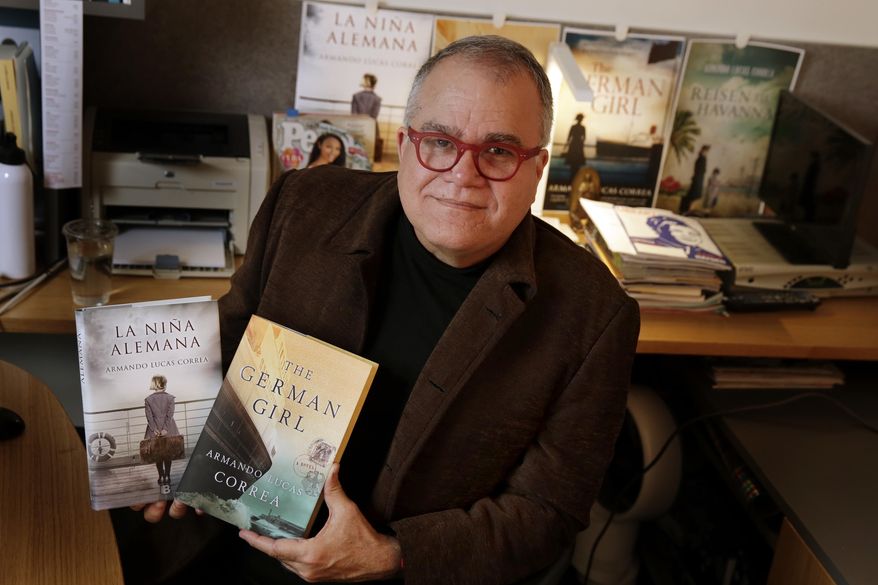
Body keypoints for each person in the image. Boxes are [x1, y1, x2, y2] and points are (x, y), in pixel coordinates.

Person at [134, 35, 639, 585]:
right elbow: (221, 348)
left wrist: (391, 555)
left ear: (536, 167)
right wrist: (162, 469)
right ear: (405, 143)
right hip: (225, 541)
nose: (463, 174)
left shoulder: (594, 316)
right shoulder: (301, 206)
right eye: (439, 141)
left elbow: (548, 513)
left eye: (498, 151)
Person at [143, 375, 179, 494]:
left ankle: (161, 476)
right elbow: (170, 415)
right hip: (169, 429)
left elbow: (149, 417)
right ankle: (167, 476)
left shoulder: (148, 399)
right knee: (167, 453)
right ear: (164, 384)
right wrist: (165, 429)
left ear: (154, 384)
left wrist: (154, 430)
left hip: (154, 429)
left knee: (157, 454)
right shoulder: (170, 398)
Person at [680, 144, 709, 213]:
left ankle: (689, 209)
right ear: (703, 151)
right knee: (694, 194)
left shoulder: (702, 158)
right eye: (706, 151)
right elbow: (699, 170)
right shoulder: (701, 159)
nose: (707, 153)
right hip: (698, 179)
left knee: (695, 194)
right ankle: (688, 209)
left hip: (699, 178)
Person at [563, 113, 587, 178]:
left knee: (573, 161)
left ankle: (572, 176)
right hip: (579, 144)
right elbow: (584, 138)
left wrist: (566, 145)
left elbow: (569, 137)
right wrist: (581, 143)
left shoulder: (573, 127)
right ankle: (575, 176)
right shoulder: (583, 128)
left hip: (573, 144)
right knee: (577, 161)